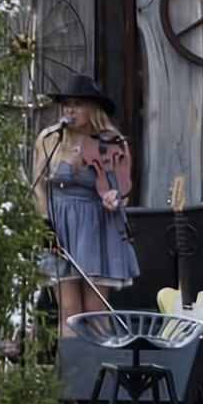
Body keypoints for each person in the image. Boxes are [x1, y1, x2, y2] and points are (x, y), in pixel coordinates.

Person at [31, 76, 134, 324]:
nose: (69, 110)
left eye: (77, 104)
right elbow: (38, 186)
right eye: (66, 104)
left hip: (96, 226)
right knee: (69, 312)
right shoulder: (49, 138)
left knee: (95, 311)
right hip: (59, 227)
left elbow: (123, 190)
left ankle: (98, 351)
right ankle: (70, 352)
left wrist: (114, 198)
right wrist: (45, 223)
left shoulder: (112, 142)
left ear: (93, 109)